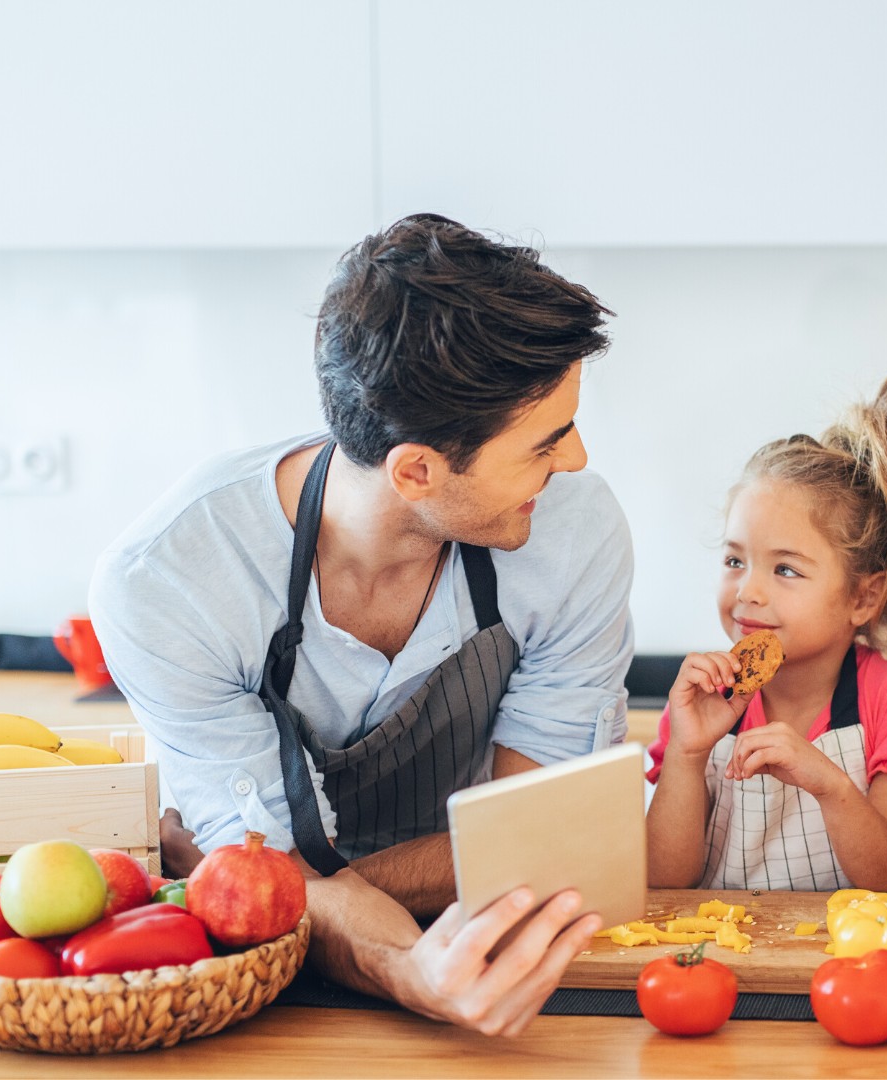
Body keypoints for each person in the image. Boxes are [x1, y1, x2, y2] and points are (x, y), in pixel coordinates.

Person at [88, 214, 635, 1032]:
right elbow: (277, 887)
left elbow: (542, 838)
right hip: (265, 979)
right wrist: (406, 969)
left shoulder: (573, 529)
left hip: (497, 936)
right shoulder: (170, 585)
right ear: (416, 470)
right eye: (542, 444)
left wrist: (305, 881)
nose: (578, 460)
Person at [644, 369, 887, 893]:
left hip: (844, 963)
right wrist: (686, 752)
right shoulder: (702, 698)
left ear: (863, 597)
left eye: (785, 569)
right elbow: (662, 882)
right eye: (734, 560)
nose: (749, 591)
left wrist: (829, 784)